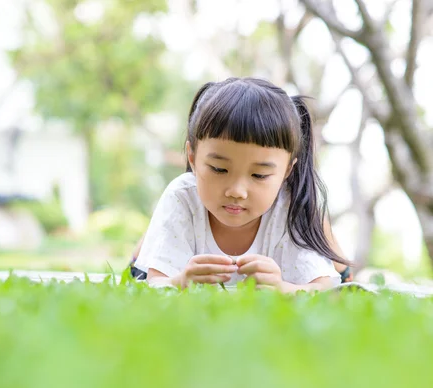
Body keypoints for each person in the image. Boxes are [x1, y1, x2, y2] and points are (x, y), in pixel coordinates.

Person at [130, 77, 352, 292]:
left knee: (317, 226)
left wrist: (283, 288)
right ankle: (143, 248)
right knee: (149, 248)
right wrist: (180, 281)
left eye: (259, 174)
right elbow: (155, 284)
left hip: (316, 239)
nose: (236, 191)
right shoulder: (181, 196)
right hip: (153, 251)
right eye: (219, 169)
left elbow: (325, 289)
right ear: (192, 156)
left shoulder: (290, 204)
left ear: (286, 170)